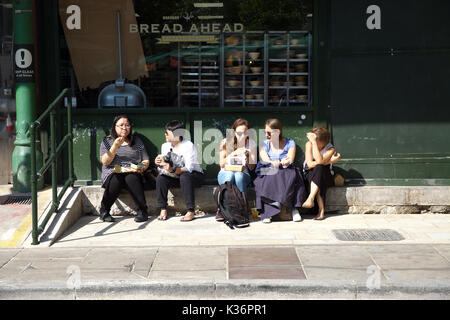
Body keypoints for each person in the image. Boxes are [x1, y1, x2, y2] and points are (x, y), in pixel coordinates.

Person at [99, 114, 150, 223]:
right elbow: (105, 162)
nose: (124, 128)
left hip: (132, 171)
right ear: (114, 127)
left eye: (127, 125)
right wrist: (115, 146)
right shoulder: (107, 141)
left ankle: (143, 211)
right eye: (121, 125)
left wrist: (140, 167)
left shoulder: (136, 141)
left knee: (131, 177)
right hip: (113, 172)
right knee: (117, 177)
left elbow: (145, 160)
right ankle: (104, 211)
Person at [253, 118, 306, 223]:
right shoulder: (264, 144)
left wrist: (286, 161)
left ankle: (293, 209)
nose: (266, 135)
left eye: (269, 133)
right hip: (269, 169)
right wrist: (273, 162)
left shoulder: (290, 143)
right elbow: (265, 159)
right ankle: (267, 212)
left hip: (285, 169)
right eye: (265, 132)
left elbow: (291, 158)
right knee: (269, 176)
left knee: (292, 176)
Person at [154, 120, 203, 222]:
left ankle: (190, 211)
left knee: (185, 176)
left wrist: (172, 169)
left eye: (168, 133)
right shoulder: (165, 146)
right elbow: (165, 164)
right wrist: (158, 162)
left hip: (193, 176)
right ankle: (163, 209)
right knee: (161, 178)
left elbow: (189, 168)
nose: (165, 134)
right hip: (175, 176)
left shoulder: (188, 145)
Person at [216, 118, 257, 221]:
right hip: (225, 172)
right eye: (239, 133)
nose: (242, 136)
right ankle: (223, 208)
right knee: (230, 175)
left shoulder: (251, 144)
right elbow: (221, 164)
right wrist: (234, 153)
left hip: (243, 173)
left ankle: (242, 208)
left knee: (238, 176)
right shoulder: (226, 142)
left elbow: (252, 168)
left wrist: (248, 156)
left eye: (245, 133)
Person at [302, 126, 341, 220]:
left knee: (320, 169)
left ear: (324, 142)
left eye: (316, 142)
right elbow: (310, 164)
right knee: (318, 171)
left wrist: (324, 162)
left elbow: (319, 162)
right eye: (313, 141)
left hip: (326, 175)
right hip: (309, 173)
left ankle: (310, 198)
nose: (313, 143)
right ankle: (321, 210)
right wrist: (329, 161)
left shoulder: (330, 149)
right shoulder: (309, 144)